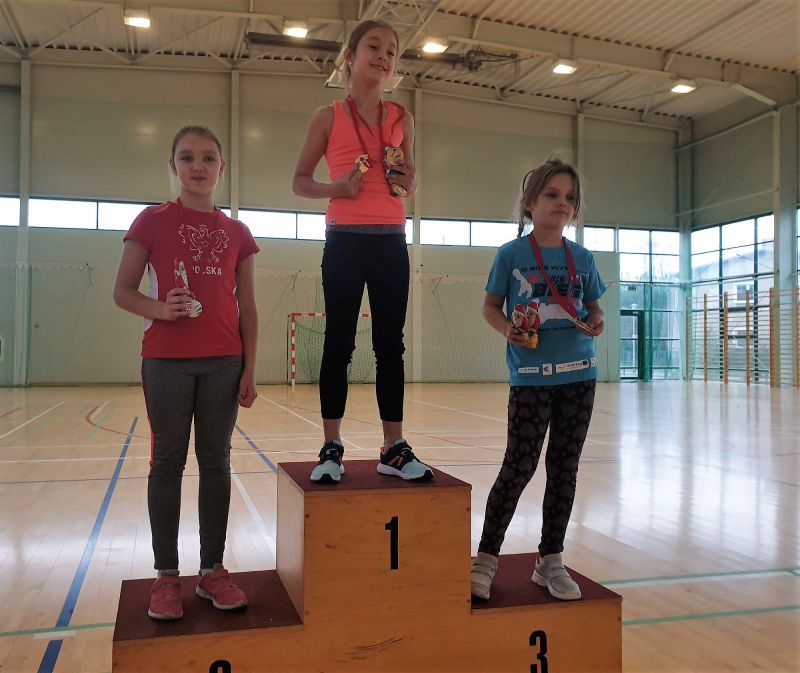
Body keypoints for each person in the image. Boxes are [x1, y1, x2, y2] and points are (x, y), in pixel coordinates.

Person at [113, 125, 259, 620]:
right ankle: (166, 575)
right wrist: (160, 309)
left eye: (208, 158)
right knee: (167, 463)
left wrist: (250, 367)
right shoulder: (151, 221)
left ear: (222, 168)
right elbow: (122, 291)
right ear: (173, 166)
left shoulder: (238, 233)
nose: (198, 166)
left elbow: (248, 307)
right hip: (165, 364)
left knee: (216, 463)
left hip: (225, 363)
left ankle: (212, 570)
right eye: (187, 157)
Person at [292, 19, 432, 483]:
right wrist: (336, 188)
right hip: (345, 241)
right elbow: (300, 181)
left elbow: (410, 181)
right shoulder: (327, 116)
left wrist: (410, 182)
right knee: (339, 343)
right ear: (350, 56)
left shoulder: (402, 118)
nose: (384, 56)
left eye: (392, 50)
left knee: (391, 344)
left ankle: (393, 447)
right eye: (374, 46)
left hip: (391, 241)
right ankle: (331, 446)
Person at [470, 158, 606, 601]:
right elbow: (490, 306)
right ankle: (486, 559)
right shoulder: (510, 255)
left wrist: (598, 321)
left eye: (570, 198)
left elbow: (595, 307)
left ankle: (550, 561)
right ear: (529, 203)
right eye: (552, 195)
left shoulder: (582, 258)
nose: (562, 203)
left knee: (564, 470)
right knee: (519, 466)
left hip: (579, 377)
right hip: (531, 377)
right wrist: (506, 329)